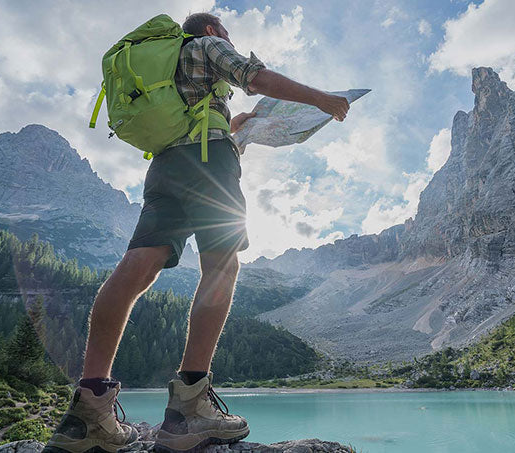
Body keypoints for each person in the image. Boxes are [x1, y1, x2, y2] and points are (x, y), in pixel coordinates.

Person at [43, 12, 349, 453]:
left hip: (165, 168)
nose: (230, 40)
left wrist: (236, 123)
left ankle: (89, 413)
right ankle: (189, 407)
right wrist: (321, 99)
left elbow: (201, 117)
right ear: (212, 30)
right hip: (209, 163)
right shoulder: (206, 45)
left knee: (136, 269)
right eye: (227, 33)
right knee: (221, 266)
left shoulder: (172, 66)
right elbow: (255, 76)